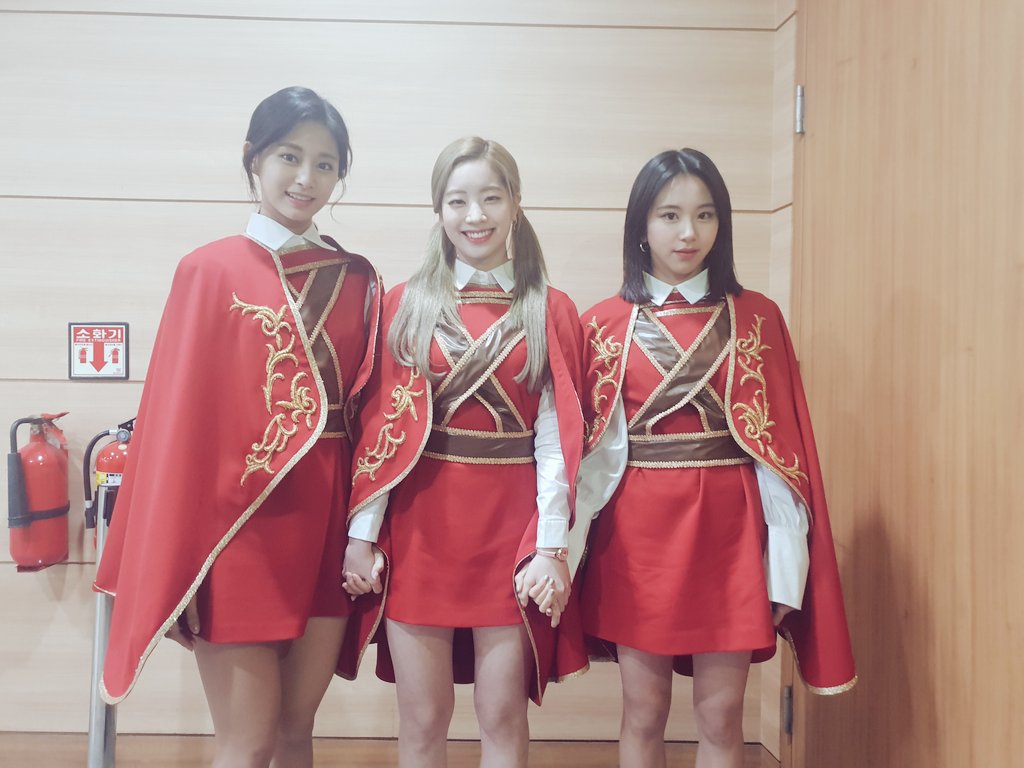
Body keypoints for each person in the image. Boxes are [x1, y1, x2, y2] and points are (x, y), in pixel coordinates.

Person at [93, 86, 382, 768]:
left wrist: (365, 532)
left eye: (326, 164)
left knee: (295, 731)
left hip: (327, 524)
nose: (306, 178)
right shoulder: (208, 270)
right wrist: (181, 554)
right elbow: (176, 429)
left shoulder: (358, 279)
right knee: (246, 743)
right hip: (236, 531)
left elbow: (372, 414)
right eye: (289, 156)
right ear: (253, 158)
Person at [572, 148, 856, 768]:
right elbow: (589, 459)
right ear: (641, 225)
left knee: (721, 714)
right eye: (669, 215)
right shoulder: (600, 324)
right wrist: (563, 553)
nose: (688, 233)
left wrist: (787, 566)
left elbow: (780, 455)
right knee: (642, 710)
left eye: (704, 215)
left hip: (730, 532)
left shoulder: (758, 318)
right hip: (636, 536)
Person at [338, 136, 587, 768]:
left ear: (516, 204)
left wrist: (550, 546)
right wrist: (362, 536)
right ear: (438, 210)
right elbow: (383, 433)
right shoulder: (405, 305)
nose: (475, 216)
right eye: (458, 201)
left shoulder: (550, 308)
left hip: (508, 532)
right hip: (421, 529)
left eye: (490, 198)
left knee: (502, 716)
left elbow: (557, 439)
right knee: (422, 719)